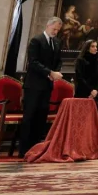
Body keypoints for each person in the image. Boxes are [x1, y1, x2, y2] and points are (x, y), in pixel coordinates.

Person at [18, 17, 63, 156]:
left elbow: (58, 61)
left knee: (41, 118)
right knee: (30, 117)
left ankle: (37, 150)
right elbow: (33, 62)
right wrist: (49, 72)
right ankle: (24, 151)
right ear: (47, 25)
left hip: (47, 85)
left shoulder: (56, 42)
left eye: (57, 30)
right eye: (54, 29)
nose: (55, 32)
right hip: (34, 85)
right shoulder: (36, 40)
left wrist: (55, 73)